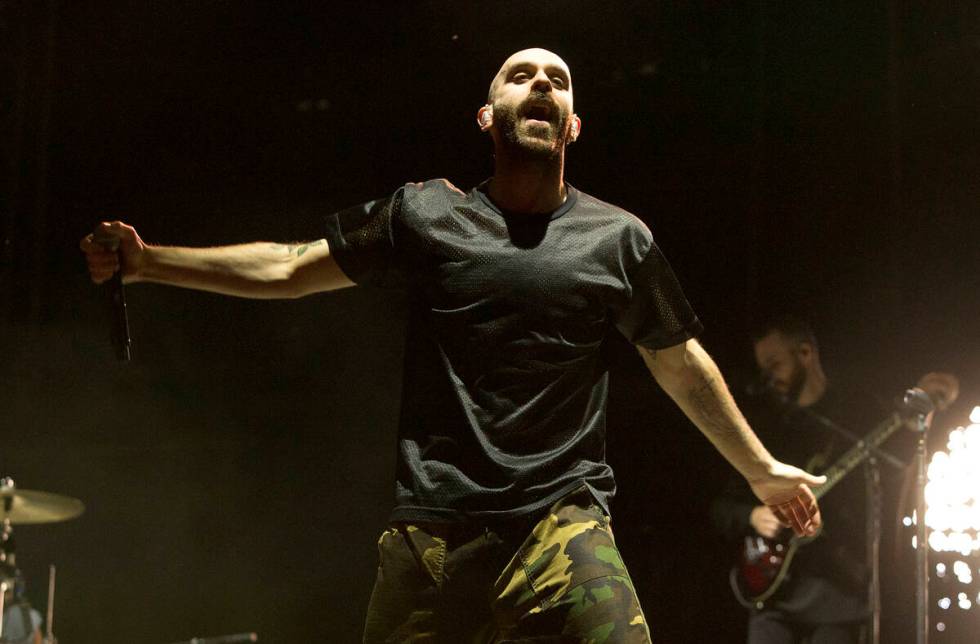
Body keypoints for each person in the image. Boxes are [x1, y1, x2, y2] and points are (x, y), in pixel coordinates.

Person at [81, 48, 826, 642]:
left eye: (557, 82)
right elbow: (288, 266)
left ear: (571, 125)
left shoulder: (618, 240)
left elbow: (676, 358)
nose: (541, 85)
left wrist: (760, 470)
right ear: (486, 115)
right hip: (435, 532)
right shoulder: (426, 213)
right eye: (520, 75)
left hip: (562, 523)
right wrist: (151, 263)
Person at [710, 315, 957, 644]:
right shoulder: (765, 426)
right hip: (774, 595)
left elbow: (900, 462)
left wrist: (923, 406)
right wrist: (752, 515)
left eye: (775, 364)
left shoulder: (857, 411)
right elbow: (720, 505)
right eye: (763, 368)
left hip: (840, 596)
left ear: (805, 353)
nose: (768, 377)